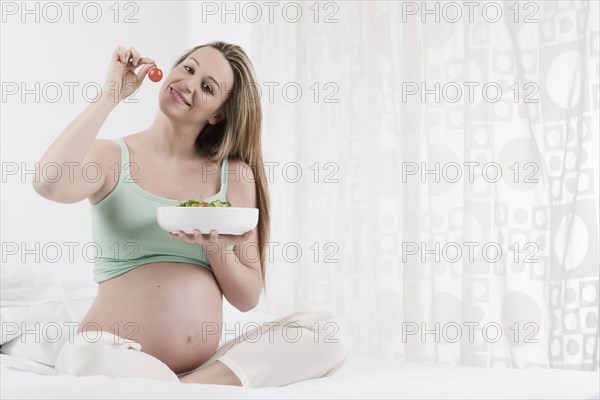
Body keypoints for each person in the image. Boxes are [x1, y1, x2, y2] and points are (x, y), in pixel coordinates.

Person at [33, 42, 354, 387]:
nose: (188, 84)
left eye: (207, 87)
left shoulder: (234, 175)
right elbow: (47, 183)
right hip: (112, 355)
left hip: (201, 369)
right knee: (84, 353)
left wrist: (213, 246)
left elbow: (246, 297)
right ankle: (189, 391)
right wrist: (110, 95)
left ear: (217, 113)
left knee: (328, 331)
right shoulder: (112, 157)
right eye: (188, 68)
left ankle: (181, 390)